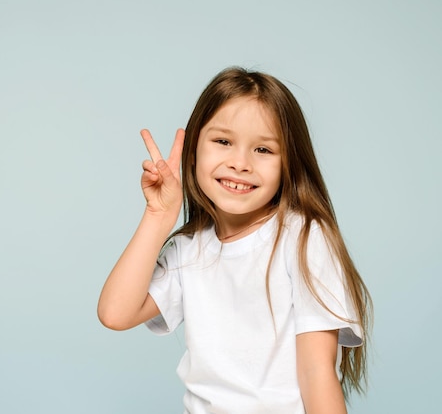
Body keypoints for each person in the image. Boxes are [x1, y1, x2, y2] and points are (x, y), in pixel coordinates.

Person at [97, 67, 372, 414]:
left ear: (288, 164)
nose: (240, 163)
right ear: (194, 150)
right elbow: (114, 313)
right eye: (223, 141)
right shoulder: (189, 250)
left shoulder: (302, 238)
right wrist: (159, 215)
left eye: (263, 149)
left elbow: (317, 371)